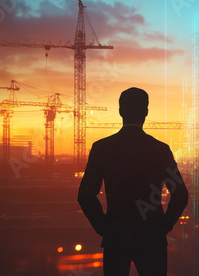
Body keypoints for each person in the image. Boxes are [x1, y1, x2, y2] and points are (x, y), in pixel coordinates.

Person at [78, 87, 189, 276]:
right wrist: (163, 226)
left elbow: (86, 195)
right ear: (145, 112)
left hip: (116, 238)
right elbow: (180, 195)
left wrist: (104, 227)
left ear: (121, 111)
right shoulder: (160, 150)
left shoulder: (102, 148)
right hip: (151, 238)